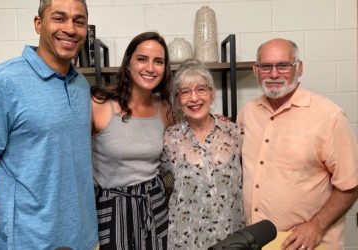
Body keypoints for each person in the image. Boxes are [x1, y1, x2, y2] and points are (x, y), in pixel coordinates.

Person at [0, 0, 99, 249]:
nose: (70, 28)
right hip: (24, 242)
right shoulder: (0, 84)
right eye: (59, 18)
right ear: (38, 24)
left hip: (81, 240)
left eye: (79, 21)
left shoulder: (80, 86)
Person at [237, 38, 358, 250]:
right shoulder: (248, 112)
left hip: (306, 243)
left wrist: (317, 226)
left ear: (299, 68)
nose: (274, 74)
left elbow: (351, 183)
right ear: (256, 70)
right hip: (257, 241)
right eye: (266, 66)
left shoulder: (328, 116)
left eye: (283, 65)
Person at [90, 31, 172, 250]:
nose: (150, 68)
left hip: (154, 203)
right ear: (128, 63)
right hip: (112, 205)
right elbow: (62, 144)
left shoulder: (166, 109)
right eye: (142, 59)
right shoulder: (99, 104)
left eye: (159, 61)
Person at [159, 59, 244, 250]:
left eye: (201, 89)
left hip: (230, 236)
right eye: (185, 92)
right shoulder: (170, 138)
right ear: (178, 99)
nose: (194, 98)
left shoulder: (234, 133)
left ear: (212, 94)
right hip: (185, 239)